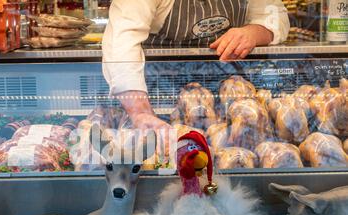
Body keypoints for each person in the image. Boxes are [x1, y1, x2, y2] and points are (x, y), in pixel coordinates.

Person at [102, 0, 290, 133]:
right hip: (161, 98)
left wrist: (254, 32)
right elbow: (122, 40)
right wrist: (140, 112)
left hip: (229, 101)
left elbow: (274, 16)